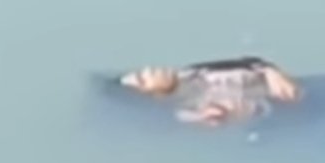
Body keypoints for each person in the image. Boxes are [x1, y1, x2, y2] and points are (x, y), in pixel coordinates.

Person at [118, 56, 302, 126]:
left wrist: (272, 72)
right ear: (154, 96)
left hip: (298, 92)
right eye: (143, 79)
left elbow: (250, 62)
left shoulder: (193, 72)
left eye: (142, 71)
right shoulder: (186, 111)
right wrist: (215, 116)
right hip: (288, 115)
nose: (149, 70)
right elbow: (209, 120)